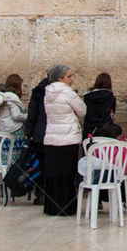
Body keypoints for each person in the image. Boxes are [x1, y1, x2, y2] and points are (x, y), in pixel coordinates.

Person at [42, 64, 86, 216]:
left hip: (52, 136)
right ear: (60, 78)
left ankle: (52, 207)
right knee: (67, 174)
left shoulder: (48, 93)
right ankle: (66, 207)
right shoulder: (68, 93)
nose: (72, 79)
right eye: (69, 76)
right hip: (68, 137)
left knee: (54, 173)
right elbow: (82, 111)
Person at [0, 73, 26, 163]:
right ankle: (13, 176)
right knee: (16, 156)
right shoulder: (12, 99)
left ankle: (6, 174)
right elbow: (16, 116)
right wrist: (29, 116)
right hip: (15, 130)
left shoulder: (2, 98)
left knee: (6, 154)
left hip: (4, 130)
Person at [24, 76, 49, 205]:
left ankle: (41, 194)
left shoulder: (37, 92)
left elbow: (32, 113)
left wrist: (29, 132)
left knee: (41, 165)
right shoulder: (56, 91)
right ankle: (49, 194)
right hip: (51, 133)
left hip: (39, 133)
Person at [82, 72, 116, 138]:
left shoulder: (87, 96)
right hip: (105, 130)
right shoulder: (111, 97)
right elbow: (112, 113)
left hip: (89, 129)